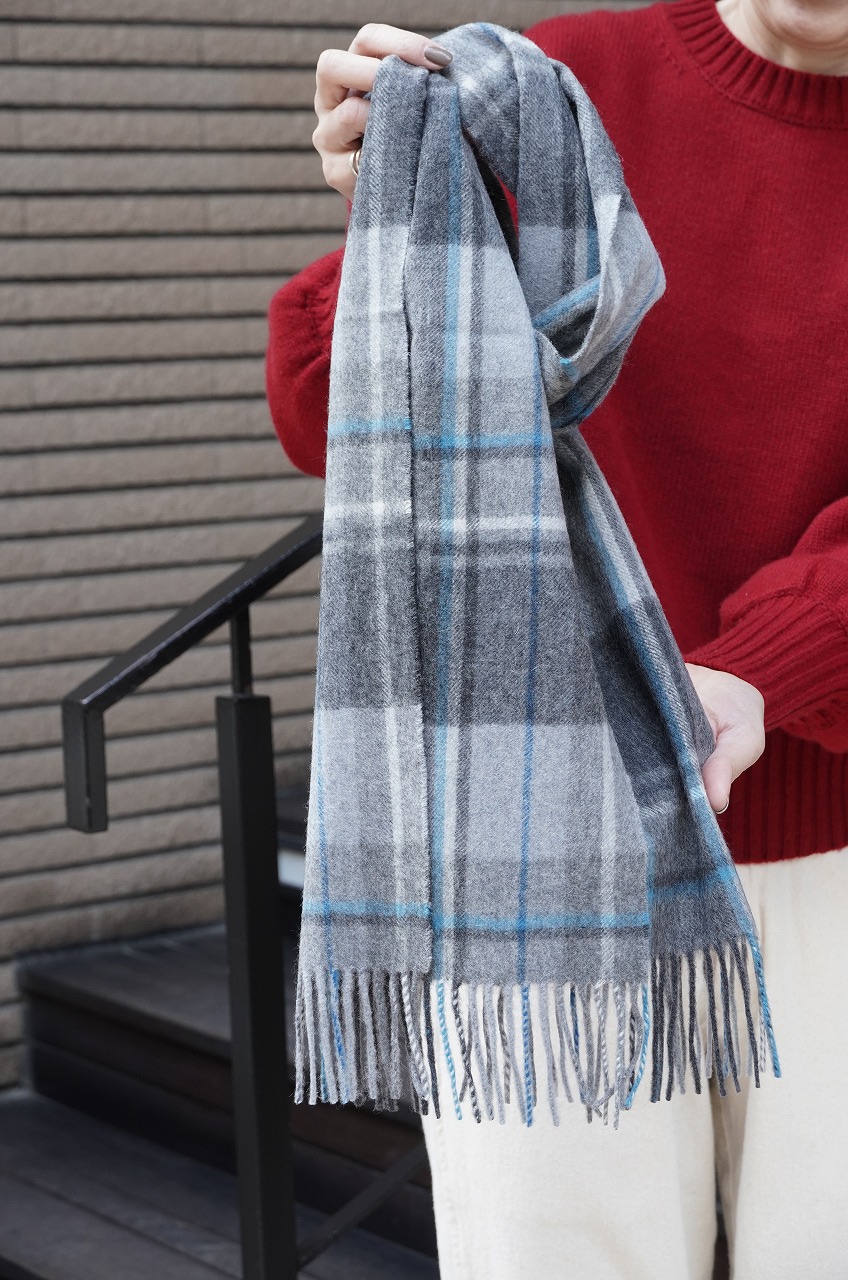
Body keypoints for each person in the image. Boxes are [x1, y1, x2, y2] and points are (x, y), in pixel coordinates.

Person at [265, 1, 848, 1275]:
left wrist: (758, 668)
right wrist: (394, 207)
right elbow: (325, 418)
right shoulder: (553, 80)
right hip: (533, 822)